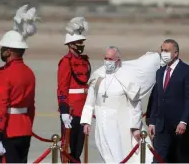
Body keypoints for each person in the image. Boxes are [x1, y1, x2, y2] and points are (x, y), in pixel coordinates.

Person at [80, 46, 160, 163]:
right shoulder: (98, 75)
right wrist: (86, 121)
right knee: (106, 153)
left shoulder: (127, 77)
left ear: (118, 60)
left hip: (122, 126)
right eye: (105, 58)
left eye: (110, 59)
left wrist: (135, 127)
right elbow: (90, 100)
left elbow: (135, 105)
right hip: (102, 124)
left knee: (124, 154)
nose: (107, 62)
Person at [0, 4, 39, 163]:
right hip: (25, 129)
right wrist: (27, 125)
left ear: (9, 51)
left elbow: (1, 106)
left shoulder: (4, 74)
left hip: (8, 130)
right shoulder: (29, 72)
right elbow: (31, 106)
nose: (2, 51)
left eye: (4, 48)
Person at [148, 39, 189, 163]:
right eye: (162, 50)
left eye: (166, 50)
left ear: (175, 53)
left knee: (181, 159)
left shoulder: (187, 71)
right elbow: (156, 98)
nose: (163, 53)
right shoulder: (160, 72)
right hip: (161, 127)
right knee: (159, 159)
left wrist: (184, 121)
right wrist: (152, 122)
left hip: (179, 127)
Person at [57, 17, 91, 162]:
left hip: (83, 109)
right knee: (68, 149)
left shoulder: (84, 61)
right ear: (70, 44)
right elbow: (62, 88)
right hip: (71, 110)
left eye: (81, 42)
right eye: (78, 43)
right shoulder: (66, 62)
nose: (81, 45)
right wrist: (64, 110)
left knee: (78, 148)